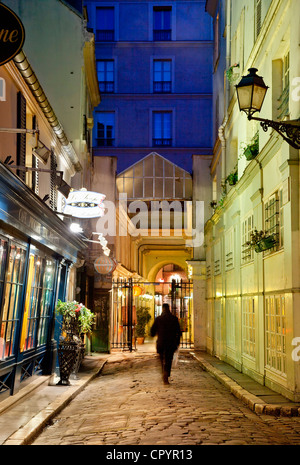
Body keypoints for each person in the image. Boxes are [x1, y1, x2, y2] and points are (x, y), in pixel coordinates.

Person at [150, 303, 181, 385]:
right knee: (168, 359)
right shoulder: (174, 319)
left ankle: (164, 371)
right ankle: (166, 374)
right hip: (171, 343)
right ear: (169, 309)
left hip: (161, 343)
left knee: (161, 359)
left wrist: (155, 334)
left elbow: (152, 331)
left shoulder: (158, 319)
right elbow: (179, 332)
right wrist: (177, 343)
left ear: (163, 309)